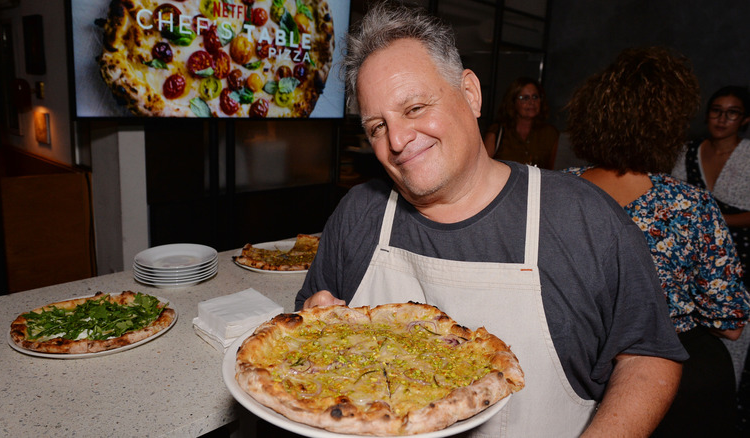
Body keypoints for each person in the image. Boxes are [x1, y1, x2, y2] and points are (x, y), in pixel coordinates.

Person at [295, 2, 687, 436]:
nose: (399, 140)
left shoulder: (583, 217)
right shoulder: (359, 212)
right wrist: (318, 323)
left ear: (470, 94)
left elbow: (647, 356)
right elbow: (310, 312)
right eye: (377, 127)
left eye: (415, 108)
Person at [564, 46, 749, 437]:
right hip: (674, 382)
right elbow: (730, 322)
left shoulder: (552, 193)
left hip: (572, 368)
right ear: (667, 127)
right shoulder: (688, 205)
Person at [672, 86, 750, 433]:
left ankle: (726, 409)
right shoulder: (688, 152)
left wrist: (711, 219)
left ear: (744, 120)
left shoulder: (748, 155)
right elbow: (671, 202)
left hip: (740, 256)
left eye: (731, 112)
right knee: (693, 332)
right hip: (691, 257)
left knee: (734, 331)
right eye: (717, 110)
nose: (722, 118)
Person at [483, 77, 559, 169]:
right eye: (525, 98)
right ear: (513, 102)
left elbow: (556, 171)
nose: (532, 102)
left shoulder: (550, 134)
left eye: (535, 97)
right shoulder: (497, 132)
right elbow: (483, 169)